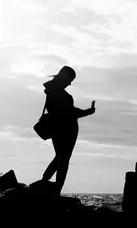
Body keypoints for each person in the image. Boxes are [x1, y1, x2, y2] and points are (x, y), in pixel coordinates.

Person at [40, 66, 95, 196]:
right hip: (66, 129)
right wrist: (88, 111)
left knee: (59, 157)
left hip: (57, 127)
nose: (70, 83)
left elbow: (64, 111)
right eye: (70, 80)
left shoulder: (51, 91)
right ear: (65, 77)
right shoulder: (58, 93)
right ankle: (56, 190)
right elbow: (69, 112)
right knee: (63, 160)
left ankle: (44, 181)